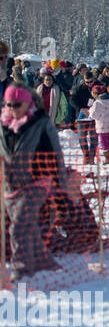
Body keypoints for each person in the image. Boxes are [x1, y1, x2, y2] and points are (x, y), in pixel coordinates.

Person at [1, 85, 68, 278]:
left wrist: (61, 186)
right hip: (10, 185)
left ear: (28, 103)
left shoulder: (40, 123)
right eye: (9, 105)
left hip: (37, 183)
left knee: (19, 226)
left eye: (17, 105)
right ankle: (45, 261)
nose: (12, 109)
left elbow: (56, 155)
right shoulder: (3, 125)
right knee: (27, 225)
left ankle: (20, 270)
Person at [88, 84, 109, 164]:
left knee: (104, 142)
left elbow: (94, 115)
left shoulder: (98, 103)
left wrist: (90, 111)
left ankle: (108, 159)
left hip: (102, 126)